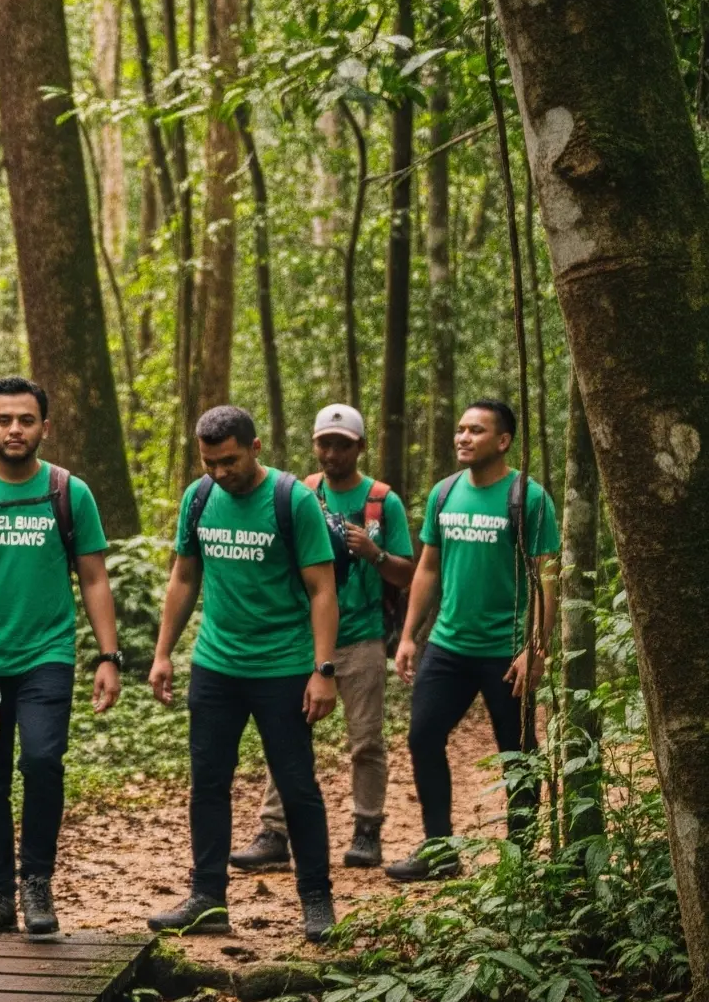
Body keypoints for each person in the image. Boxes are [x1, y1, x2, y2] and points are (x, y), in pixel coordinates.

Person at [147, 404, 340, 943]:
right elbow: (184, 577)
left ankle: (316, 900)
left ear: (254, 449)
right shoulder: (200, 497)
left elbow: (322, 589)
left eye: (228, 461)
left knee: (297, 785)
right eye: (209, 462)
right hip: (216, 665)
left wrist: (322, 670)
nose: (219, 473)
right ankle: (207, 900)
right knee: (208, 782)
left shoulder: (292, 500)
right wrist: (164, 653)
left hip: (281, 667)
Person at [0, 377, 122, 940]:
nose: (14, 430)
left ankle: (37, 883)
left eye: (26, 420)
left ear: (44, 428)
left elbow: (95, 578)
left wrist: (108, 655)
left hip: (48, 654)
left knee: (44, 762)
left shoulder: (67, 491)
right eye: (4, 420)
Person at [230, 403, 414, 875]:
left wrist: (374, 553)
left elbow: (409, 573)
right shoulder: (299, 493)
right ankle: (274, 832)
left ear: (360, 447)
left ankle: (367, 830)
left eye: (342, 444)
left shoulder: (381, 501)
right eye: (324, 443)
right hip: (303, 640)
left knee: (366, 741)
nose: (332, 453)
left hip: (363, 637)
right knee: (287, 737)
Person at [388, 397, 560, 880]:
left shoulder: (528, 497)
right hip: (448, 646)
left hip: (506, 651)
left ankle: (522, 859)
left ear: (502, 441)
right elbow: (427, 566)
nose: (463, 437)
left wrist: (537, 648)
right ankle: (439, 851)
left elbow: (549, 575)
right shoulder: (444, 494)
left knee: (519, 753)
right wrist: (409, 636)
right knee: (423, 737)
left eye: (476, 431)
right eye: (461, 429)